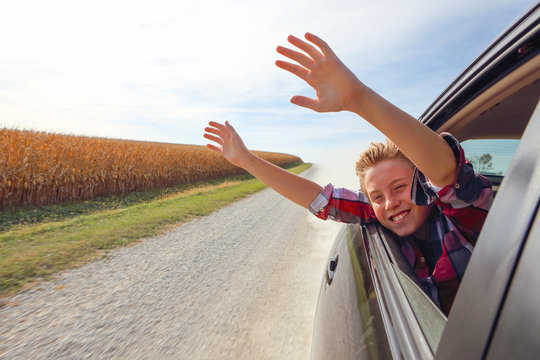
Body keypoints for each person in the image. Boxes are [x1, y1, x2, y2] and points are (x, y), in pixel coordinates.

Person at [203, 33, 492, 314]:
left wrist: (359, 99)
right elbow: (321, 200)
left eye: (400, 187)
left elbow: (446, 174)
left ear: (422, 184)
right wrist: (247, 161)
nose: (390, 203)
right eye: (377, 196)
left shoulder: (463, 217)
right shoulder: (376, 213)